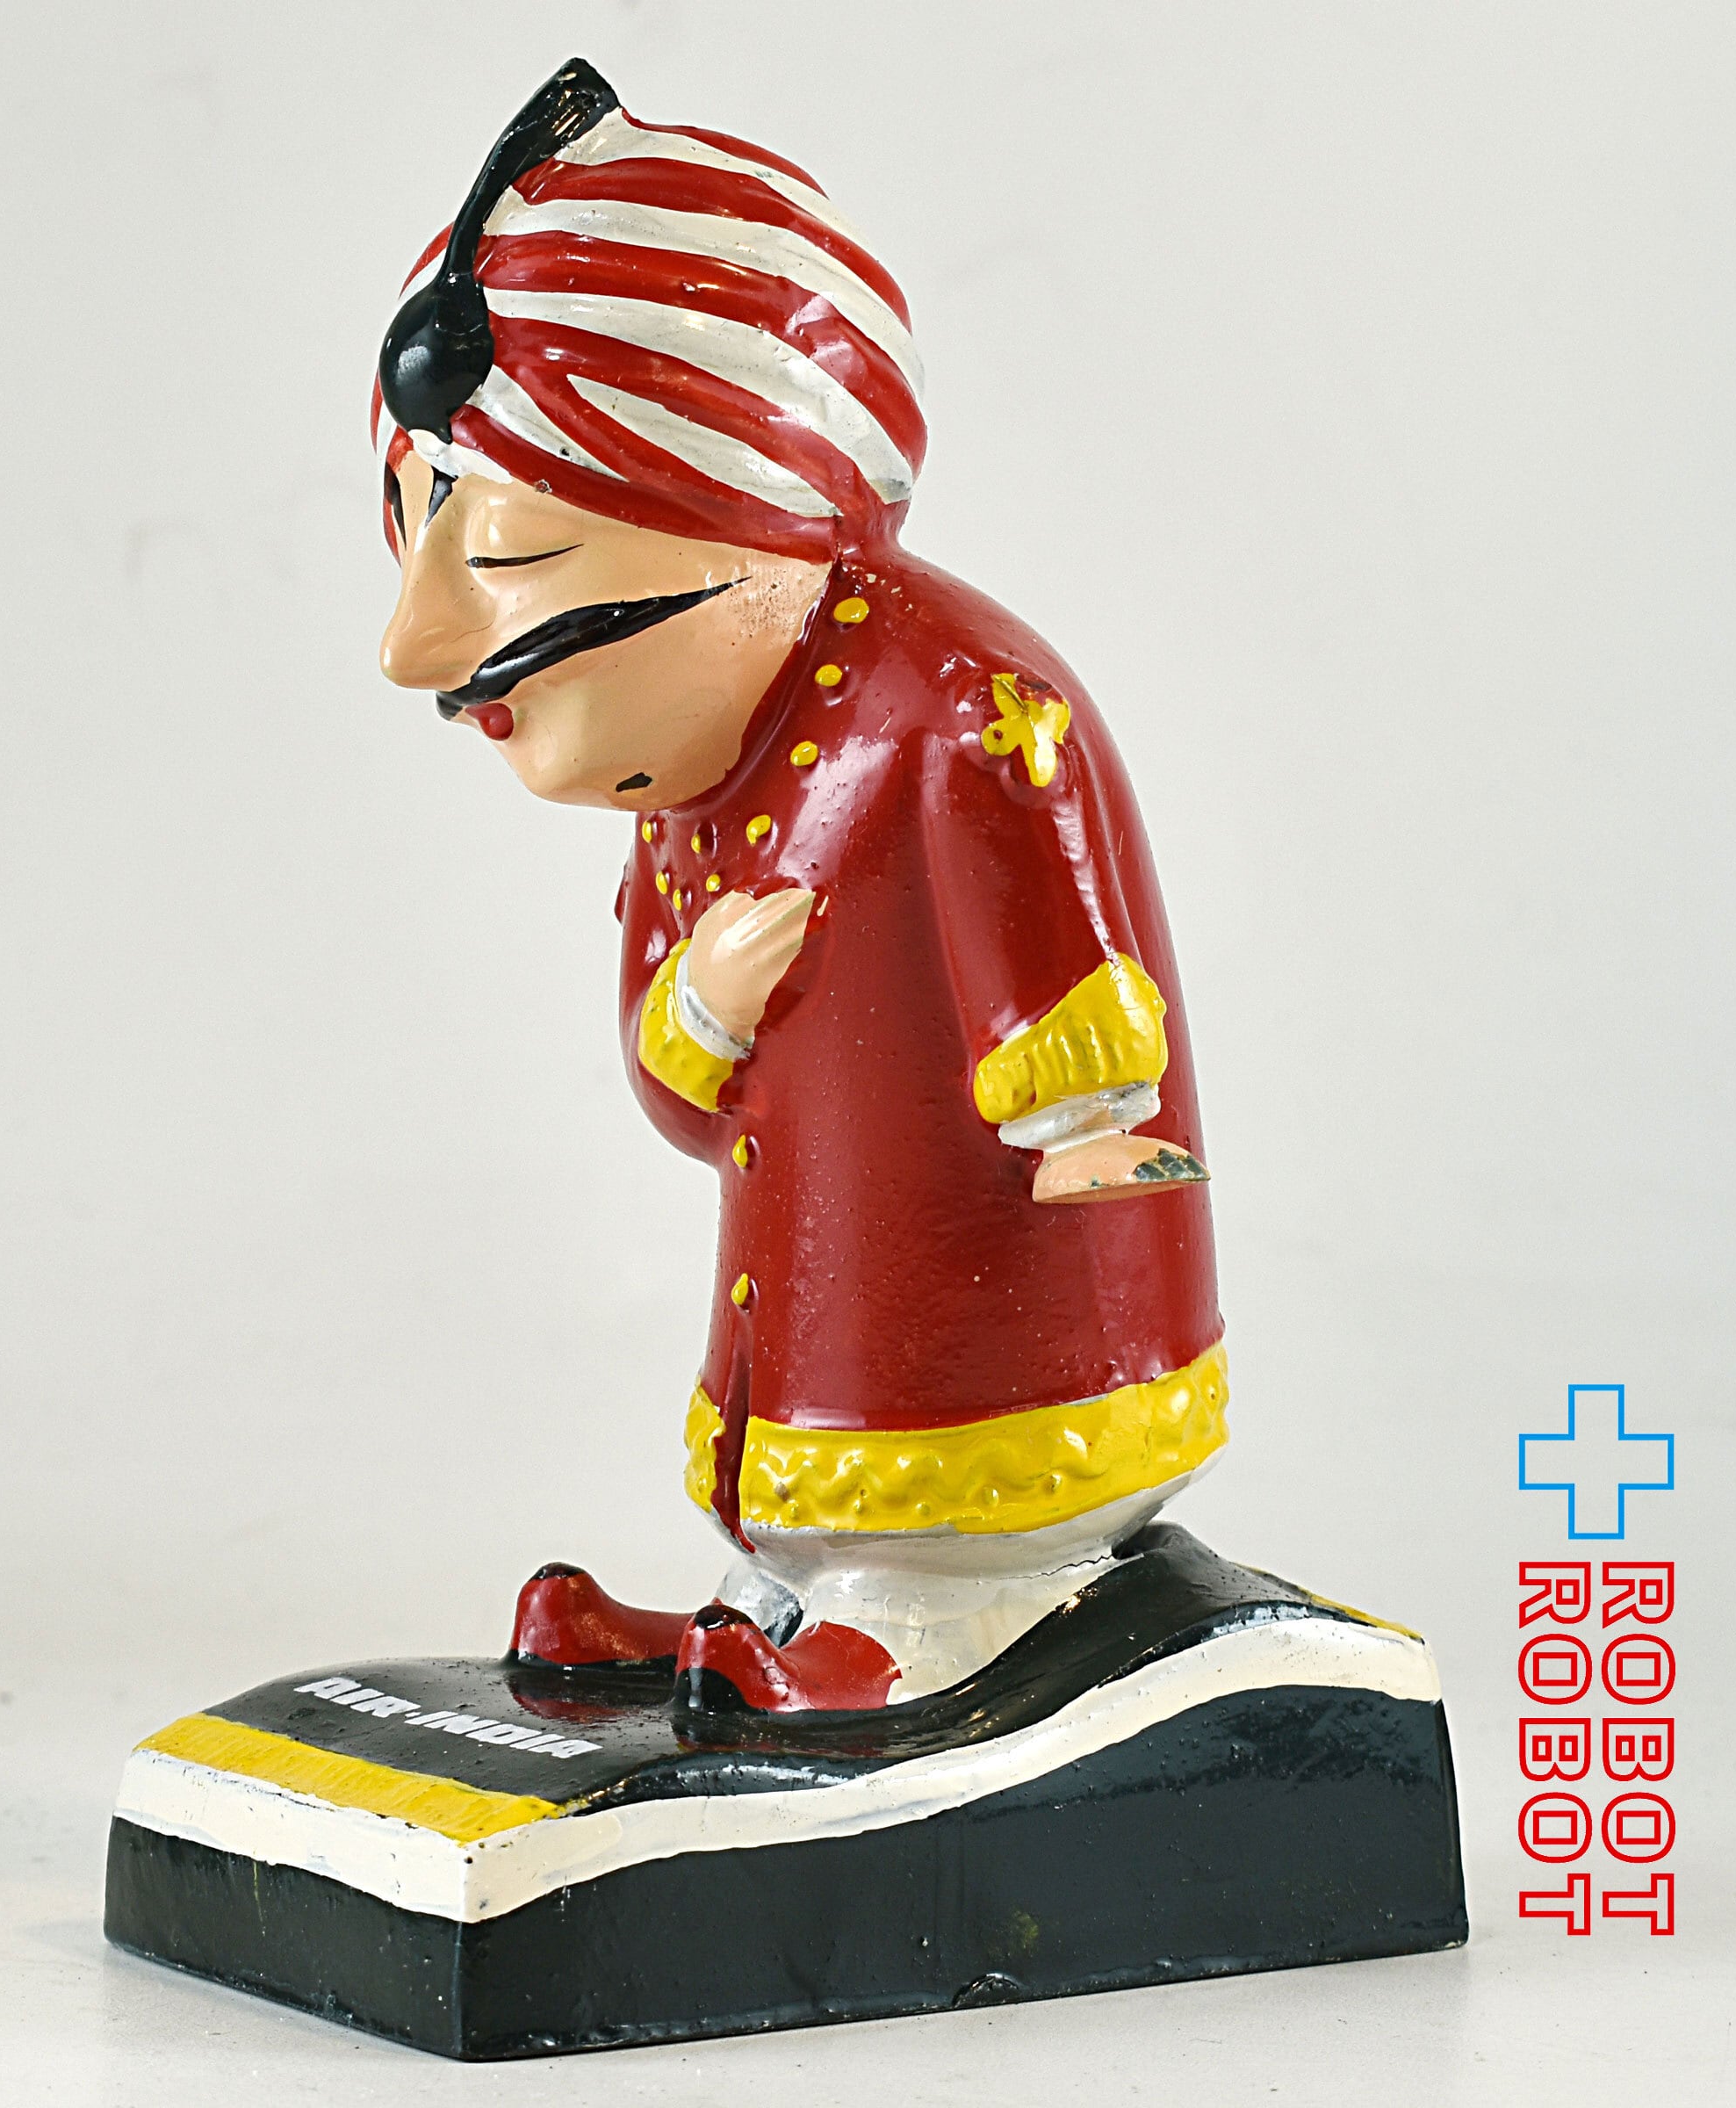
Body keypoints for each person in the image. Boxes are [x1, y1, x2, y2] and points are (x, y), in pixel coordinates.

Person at [376, 60, 1225, 1710]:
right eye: (409, 536)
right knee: (812, 1461)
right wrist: (699, 1007)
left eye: (508, 553)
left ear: (749, 515)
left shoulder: (957, 715)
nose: (415, 648)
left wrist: (1087, 1127)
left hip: (1007, 1358)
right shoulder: (695, 766)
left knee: (923, 1471)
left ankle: (919, 1628)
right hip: (804, 1335)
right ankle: (781, 1603)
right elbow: (681, 1101)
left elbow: (1068, 993)